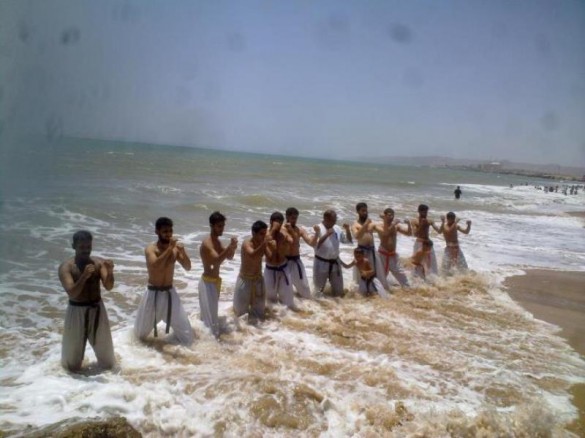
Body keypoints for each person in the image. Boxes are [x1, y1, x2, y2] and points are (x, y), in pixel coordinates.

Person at [58, 230, 115, 372]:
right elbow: (72, 293)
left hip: (97, 309)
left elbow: (109, 286)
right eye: (82, 247)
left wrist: (110, 271)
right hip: (76, 310)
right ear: (73, 246)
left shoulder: (98, 263)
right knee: (71, 366)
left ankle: (108, 381)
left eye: (88, 246)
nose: (86, 250)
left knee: (108, 362)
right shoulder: (66, 267)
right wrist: (83, 276)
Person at [134, 217, 194, 345]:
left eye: (170, 231)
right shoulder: (151, 249)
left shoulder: (175, 249)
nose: (169, 234)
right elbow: (155, 265)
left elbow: (188, 267)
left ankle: (170, 346)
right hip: (153, 294)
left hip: (170, 294)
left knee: (187, 336)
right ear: (157, 232)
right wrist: (169, 249)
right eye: (165, 231)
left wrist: (183, 252)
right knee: (139, 336)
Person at [199, 211, 238, 338]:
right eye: (219, 226)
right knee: (209, 320)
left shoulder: (217, 242)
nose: (222, 229)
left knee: (211, 316)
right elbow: (216, 261)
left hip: (214, 282)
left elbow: (229, 257)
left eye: (223, 226)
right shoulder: (207, 243)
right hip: (207, 283)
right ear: (212, 226)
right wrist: (229, 247)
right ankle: (207, 342)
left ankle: (209, 340)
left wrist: (233, 248)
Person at [233, 221, 269, 322]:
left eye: (265, 233)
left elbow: (270, 257)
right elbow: (252, 255)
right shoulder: (247, 243)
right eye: (261, 234)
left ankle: (258, 331)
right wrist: (264, 244)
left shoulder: (262, 243)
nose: (264, 236)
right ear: (253, 233)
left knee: (259, 315)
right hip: (245, 280)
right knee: (240, 314)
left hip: (258, 279)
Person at [313, 209, 353, 297]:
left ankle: (336, 305)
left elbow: (348, 241)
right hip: (321, 262)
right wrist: (327, 234)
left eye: (335, 220)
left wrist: (347, 230)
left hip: (335, 262)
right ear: (326, 218)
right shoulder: (317, 228)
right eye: (333, 220)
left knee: (339, 292)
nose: (335, 222)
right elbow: (315, 245)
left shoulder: (336, 228)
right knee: (318, 292)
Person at [350, 202, 388, 290]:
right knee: (361, 274)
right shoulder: (355, 225)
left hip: (372, 251)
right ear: (358, 212)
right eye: (363, 211)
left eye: (366, 211)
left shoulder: (372, 224)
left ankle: (375, 290)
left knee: (375, 272)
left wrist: (385, 220)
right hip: (361, 253)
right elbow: (357, 236)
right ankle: (362, 291)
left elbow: (384, 233)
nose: (365, 213)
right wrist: (365, 224)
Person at [264, 211, 297, 310]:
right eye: (277, 222)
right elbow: (265, 241)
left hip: (283, 267)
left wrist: (290, 232)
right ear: (271, 222)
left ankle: (288, 316)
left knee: (288, 299)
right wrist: (273, 229)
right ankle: (273, 317)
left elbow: (293, 241)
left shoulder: (283, 233)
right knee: (270, 299)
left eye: (280, 223)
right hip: (270, 269)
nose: (279, 225)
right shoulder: (266, 233)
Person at [283, 207, 318, 299]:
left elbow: (311, 243)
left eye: (296, 218)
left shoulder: (300, 230)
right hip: (284, 262)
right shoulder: (282, 230)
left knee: (305, 290)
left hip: (296, 261)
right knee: (285, 290)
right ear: (287, 217)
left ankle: (305, 305)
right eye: (292, 218)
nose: (294, 220)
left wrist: (317, 233)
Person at [373, 208, 411, 288]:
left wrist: (409, 224)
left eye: (392, 215)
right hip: (383, 254)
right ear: (385, 216)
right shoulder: (379, 226)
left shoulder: (396, 226)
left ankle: (407, 289)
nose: (391, 217)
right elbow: (385, 233)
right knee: (381, 275)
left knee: (400, 273)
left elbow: (409, 233)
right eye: (389, 215)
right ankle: (378, 291)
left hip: (393, 254)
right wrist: (392, 223)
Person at [409, 204, 442, 276]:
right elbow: (415, 234)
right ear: (419, 211)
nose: (425, 214)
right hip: (419, 243)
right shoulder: (414, 221)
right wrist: (421, 225)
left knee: (432, 262)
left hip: (427, 243)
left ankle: (433, 278)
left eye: (426, 212)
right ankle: (416, 277)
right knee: (417, 262)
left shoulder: (429, 221)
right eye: (424, 212)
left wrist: (443, 222)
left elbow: (439, 231)